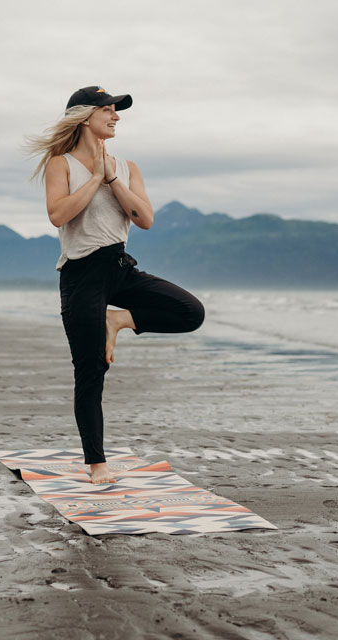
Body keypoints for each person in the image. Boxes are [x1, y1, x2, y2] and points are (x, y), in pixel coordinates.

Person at [26, 85, 205, 484]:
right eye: (108, 110)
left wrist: (113, 181)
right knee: (90, 372)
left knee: (191, 312)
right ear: (84, 116)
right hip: (81, 275)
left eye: (116, 110)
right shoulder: (61, 164)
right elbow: (59, 215)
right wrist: (94, 179)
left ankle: (119, 320)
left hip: (120, 267)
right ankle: (98, 465)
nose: (116, 116)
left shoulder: (128, 167)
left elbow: (144, 219)